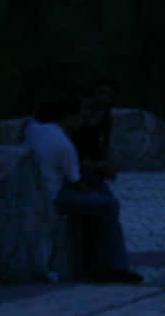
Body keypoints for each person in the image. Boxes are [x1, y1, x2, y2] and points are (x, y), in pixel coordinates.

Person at [26, 92, 140, 284]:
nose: (82, 121)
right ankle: (115, 265)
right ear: (70, 116)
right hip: (54, 195)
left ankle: (103, 263)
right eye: (80, 116)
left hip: (39, 189)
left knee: (97, 192)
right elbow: (76, 181)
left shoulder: (35, 129)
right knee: (108, 205)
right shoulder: (63, 145)